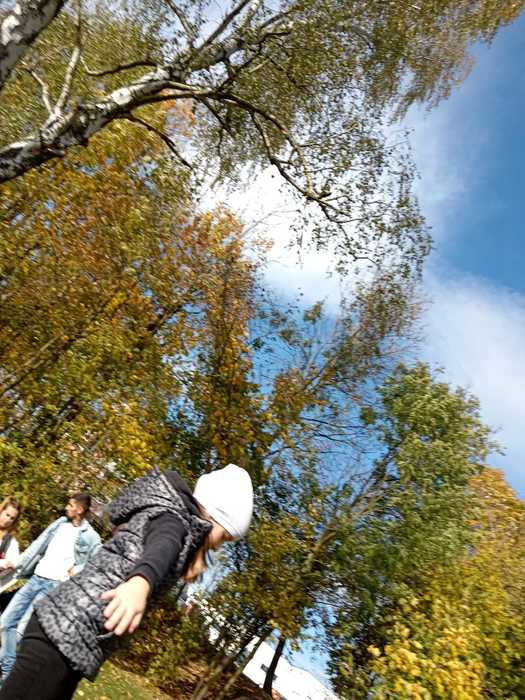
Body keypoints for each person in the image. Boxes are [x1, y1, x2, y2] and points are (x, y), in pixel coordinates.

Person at [0, 463, 253, 700]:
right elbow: (163, 547)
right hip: (64, 631)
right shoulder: (174, 522)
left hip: (72, 635)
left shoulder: (171, 519)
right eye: (224, 537)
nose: (219, 545)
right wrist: (140, 582)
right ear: (213, 516)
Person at [0, 492, 101, 684]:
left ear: (80, 509)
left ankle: (5, 676)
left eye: (71, 505)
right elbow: (39, 544)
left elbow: (97, 561)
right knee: (5, 622)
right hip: (36, 578)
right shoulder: (60, 523)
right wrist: (19, 562)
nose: (67, 507)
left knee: (21, 631)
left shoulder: (91, 536)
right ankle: (9, 668)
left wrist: (77, 570)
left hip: (53, 587)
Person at [0, 498, 22, 602]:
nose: (8, 520)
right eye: (7, 514)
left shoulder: (11, 542)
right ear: (1, 510)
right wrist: (3, 562)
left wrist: (7, 564)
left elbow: (14, 563)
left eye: (12, 518)